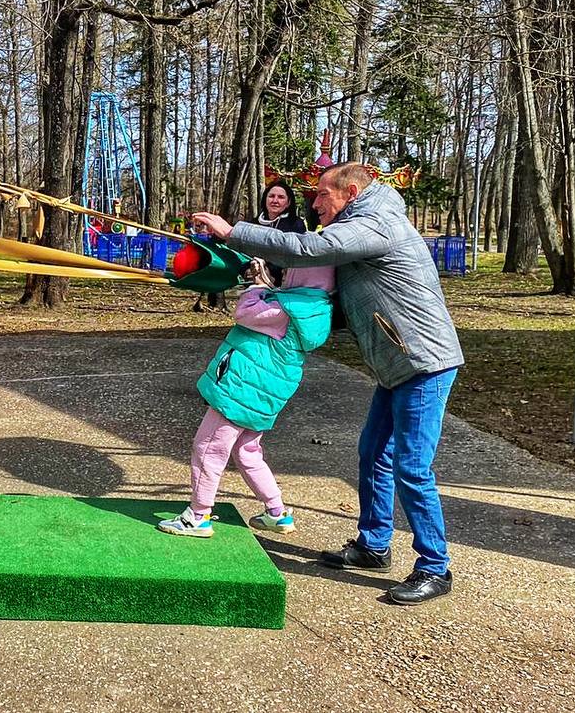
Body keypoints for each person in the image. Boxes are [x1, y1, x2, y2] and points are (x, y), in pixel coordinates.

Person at [192, 162, 464, 606]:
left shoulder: (374, 223)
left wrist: (231, 232)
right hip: (394, 364)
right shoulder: (363, 223)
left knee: (412, 467)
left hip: (422, 362)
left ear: (351, 192)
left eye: (322, 195)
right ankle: (373, 546)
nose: (314, 203)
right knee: (373, 453)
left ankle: (435, 566)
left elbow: (303, 249)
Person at [158, 259, 335, 539]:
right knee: (247, 450)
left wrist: (258, 286)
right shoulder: (314, 308)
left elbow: (244, 312)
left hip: (242, 390)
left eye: (290, 270)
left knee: (208, 447)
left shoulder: (285, 308)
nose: (285, 274)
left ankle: (198, 515)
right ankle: (276, 512)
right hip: (265, 394)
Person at [249, 179, 306, 286]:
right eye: (271, 196)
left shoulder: (296, 224)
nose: (275, 201)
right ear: (265, 199)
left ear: (288, 203)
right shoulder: (254, 223)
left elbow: (294, 254)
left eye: (281, 197)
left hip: (284, 281)